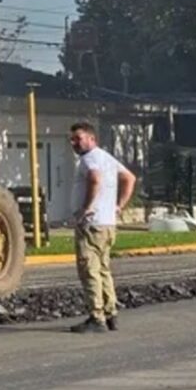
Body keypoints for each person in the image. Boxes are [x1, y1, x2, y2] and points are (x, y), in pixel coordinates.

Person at [68, 122, 137, 334]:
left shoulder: (90, 159)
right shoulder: (107, 157)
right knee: (104, 269)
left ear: (91, 138)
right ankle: (111, 313)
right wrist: (118, 206)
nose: (74, 143)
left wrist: (86, 208)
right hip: (107, 223)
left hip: (91, 223)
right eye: (72, 139)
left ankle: (96, 316)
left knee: (89, 270)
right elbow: (129, 177)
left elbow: (95, 179)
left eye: (78, 138)